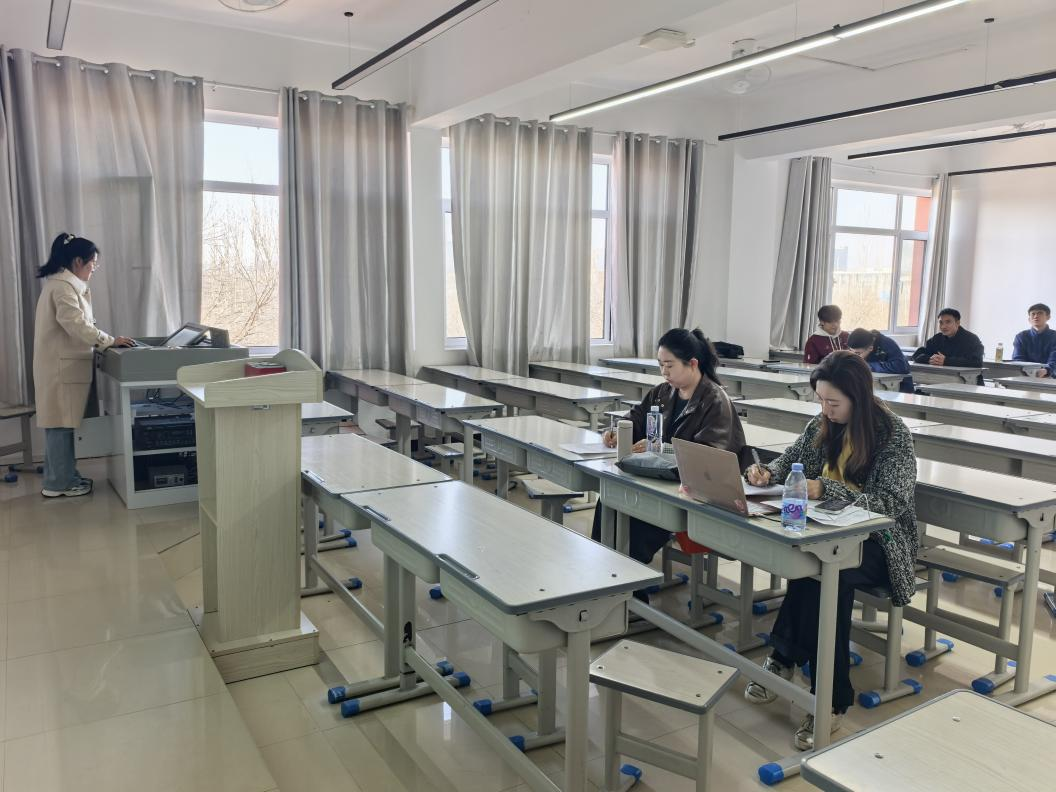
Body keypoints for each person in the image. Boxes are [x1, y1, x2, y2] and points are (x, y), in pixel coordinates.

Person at [743, 351, 917, 751]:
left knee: (825, 575)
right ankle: (799, 670)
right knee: (815, 565)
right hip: (827, 532)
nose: (825, 409)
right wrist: (765, 472)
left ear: (858, 396)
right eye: (820, 400)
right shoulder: (821, 425)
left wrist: (827, 488)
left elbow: (891, 503)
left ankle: (824, 694)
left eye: (833, 402)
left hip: (882, 543)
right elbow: (789, 462)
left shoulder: (892, 434)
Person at [593, 329, 748, 584]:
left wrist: (660, 449)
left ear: (692, 364)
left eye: (669, 365)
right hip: (659, 480)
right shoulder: (662, 393)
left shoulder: (715, 401)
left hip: (690, 492)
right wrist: (618, 431)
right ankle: (607, 579)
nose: (664, 372)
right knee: (609, 500)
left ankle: (629, 587)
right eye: (660, 365)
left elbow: (708, 457)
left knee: (634, 521)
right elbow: (637, 418)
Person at [33, 233, 133, 497]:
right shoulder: (63, 288)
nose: (93, 270)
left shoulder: (63, 285)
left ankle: (63, 476)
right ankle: (58, 484)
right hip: (60, 370)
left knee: (61, 425)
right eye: (92, 264)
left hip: (60, 367)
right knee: (60, 426)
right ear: (78, 261)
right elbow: (77, 325)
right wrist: (109, 341)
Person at [911, 308, 984, 369]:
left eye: (948, 322)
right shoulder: (937, 338)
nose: (943, 326)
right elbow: (917, 355)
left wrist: (946, 361)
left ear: (957, 323)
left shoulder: (971, 339)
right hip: (941, 377)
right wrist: (931, 359)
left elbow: (977, 362)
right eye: (941, 322)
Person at [847, 327, 914, 393]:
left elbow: (900, 366)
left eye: (858, 353)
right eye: (851, 351)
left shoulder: (887, 344)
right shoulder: (864, 341)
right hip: (877, 384)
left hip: (901, 387)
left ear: (870, 348)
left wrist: (868, 365)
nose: (854, 356)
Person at [1012, 303, 1056, 378]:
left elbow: (1054, 360)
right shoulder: (1021, 336)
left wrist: (1046, 370)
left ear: (1048, 317)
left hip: (1050, 376)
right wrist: (1030, 372)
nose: (1036, 316)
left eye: (1040, 313)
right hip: (1025, 375)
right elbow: (1018, 359)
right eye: (1033, 314)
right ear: (1029, 319)